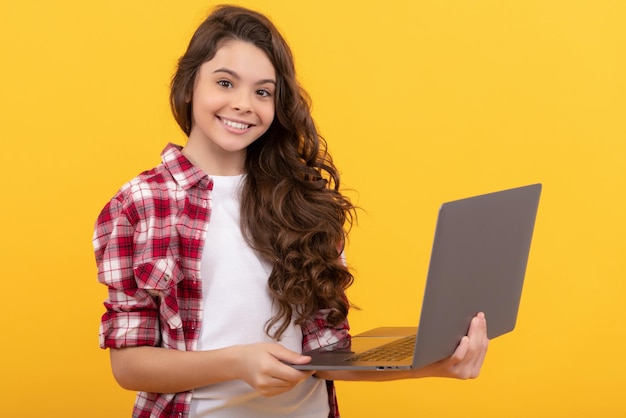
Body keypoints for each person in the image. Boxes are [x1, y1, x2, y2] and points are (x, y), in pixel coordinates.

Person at [93, 4, 489, 418]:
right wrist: (236, 362)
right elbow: (129, 364)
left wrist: (430, 364)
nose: (244, 104)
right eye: (225, 83)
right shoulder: (138, 204)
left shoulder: (301, 201)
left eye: (263, 91)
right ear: (189, 85)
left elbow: (325, 356)